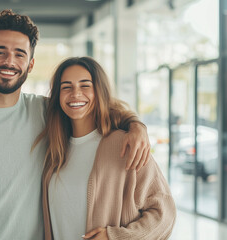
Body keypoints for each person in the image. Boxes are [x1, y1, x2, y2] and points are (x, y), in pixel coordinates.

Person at [0, 10, 151, 240]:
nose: (9, 61)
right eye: (0, 52)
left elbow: (93, 107)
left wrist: (136, 124)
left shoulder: (46, 111)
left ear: (31, 64)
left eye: (19, 54)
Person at [36, 57, 176, 240]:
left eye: (85, 85)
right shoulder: (54, 150)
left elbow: (164, 214)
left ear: (99, 91)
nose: (75, 94)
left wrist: (114, 237)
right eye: (66, 87)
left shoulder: (125, 145)